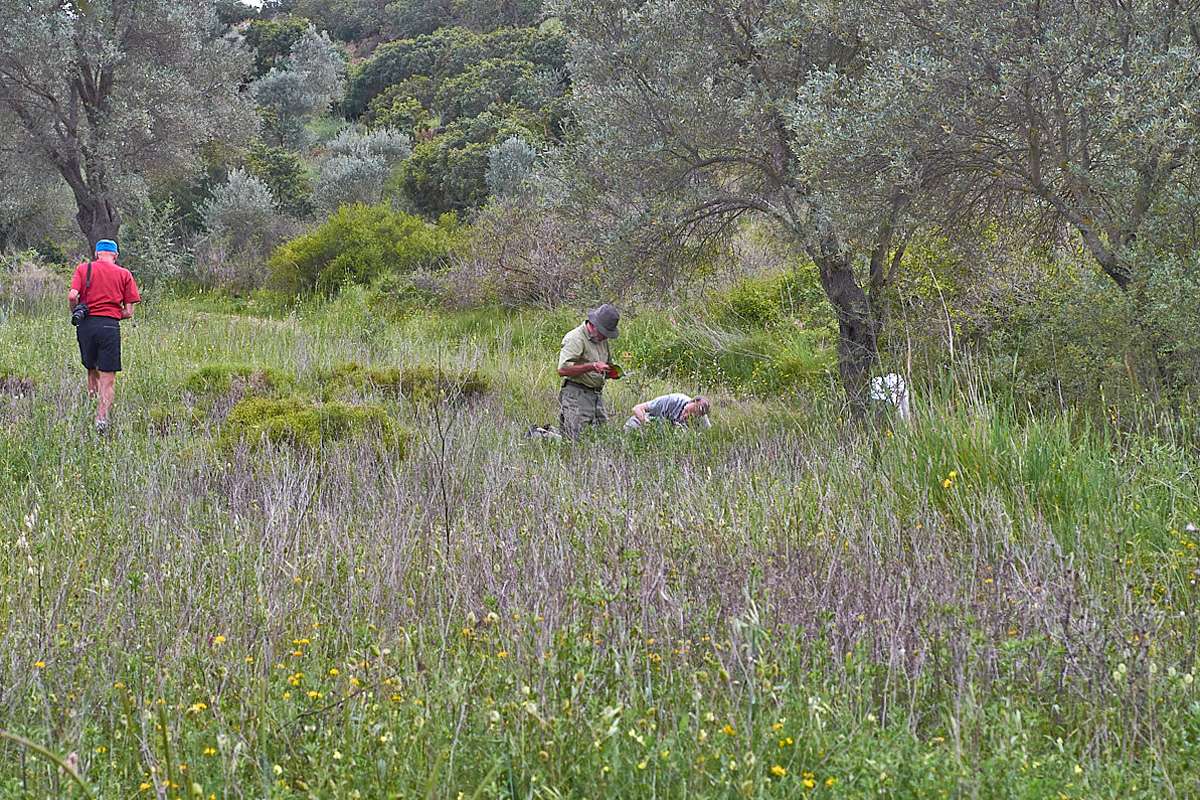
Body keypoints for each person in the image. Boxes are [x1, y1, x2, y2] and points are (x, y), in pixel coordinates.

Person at [69, 239, 141, 433]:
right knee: (108, 377)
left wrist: (76, 312)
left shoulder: (83, 269)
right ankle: (101, 419)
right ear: (115, 255)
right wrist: (111, 314)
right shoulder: (124, 274)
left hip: (86, 325)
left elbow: (72, 296)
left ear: (97, 253)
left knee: (91, 369)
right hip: (110, 326)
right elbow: (129, 312)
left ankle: (90, 406)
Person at [556, 303, 620, 439]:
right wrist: (592, 366)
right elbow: (562, 370)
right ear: (594, 325)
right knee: (575, 440)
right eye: (604, 333)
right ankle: (540, 434)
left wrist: (611, 372)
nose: (606, 338)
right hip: (576, 396)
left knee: (602, 438)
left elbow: (604, 364)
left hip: (596, 397)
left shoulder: (601, 339)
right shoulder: (576, 338)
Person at [624, 393, 712, 431]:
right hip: (652, 422)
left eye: (692, 416)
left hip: (671, 435)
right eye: (687, 411)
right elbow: (637, 408)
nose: (686, 416)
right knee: (632, 424)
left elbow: (708, 436)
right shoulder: (671, 400)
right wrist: (647, 425)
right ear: (690, 401)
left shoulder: (703, 419)